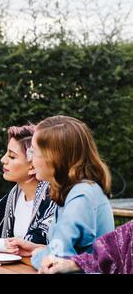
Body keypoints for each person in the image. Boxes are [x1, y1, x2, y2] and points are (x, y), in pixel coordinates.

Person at [6, 115, 115, 270]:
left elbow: (54, 261)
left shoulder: (81, 196)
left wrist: (38, 254)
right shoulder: (71, 191)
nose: (31, 160)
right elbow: (70, 253)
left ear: (54, 158)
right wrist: (35, 248)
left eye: (34, 153)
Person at [39, 220, 132, 274]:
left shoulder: (82, 194)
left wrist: (37, 255)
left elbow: (60, 249)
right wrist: (73, 263)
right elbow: (107, 255)